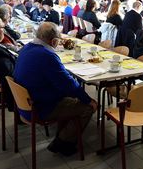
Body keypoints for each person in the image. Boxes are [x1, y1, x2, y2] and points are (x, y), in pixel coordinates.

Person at [13, 22, 97, 156]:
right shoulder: (47, 55)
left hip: (25, 104)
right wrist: (88, 100)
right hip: (41, 108)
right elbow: (68, 84)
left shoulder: (27, 48)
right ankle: (63, 143)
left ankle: (63, 133)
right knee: (87, 107)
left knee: (70, 95)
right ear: (54, 41)